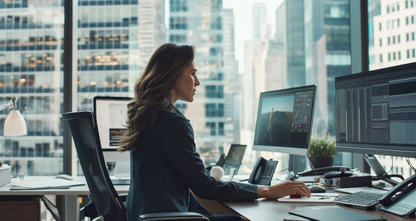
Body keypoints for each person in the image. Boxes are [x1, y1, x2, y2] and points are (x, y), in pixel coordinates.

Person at [120, 43, 311, 221]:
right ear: (173, 76)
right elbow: (205, 187)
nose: (198, 82)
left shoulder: (151, 116)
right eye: (193, 74)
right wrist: (268, 191)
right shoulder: (172, 122)